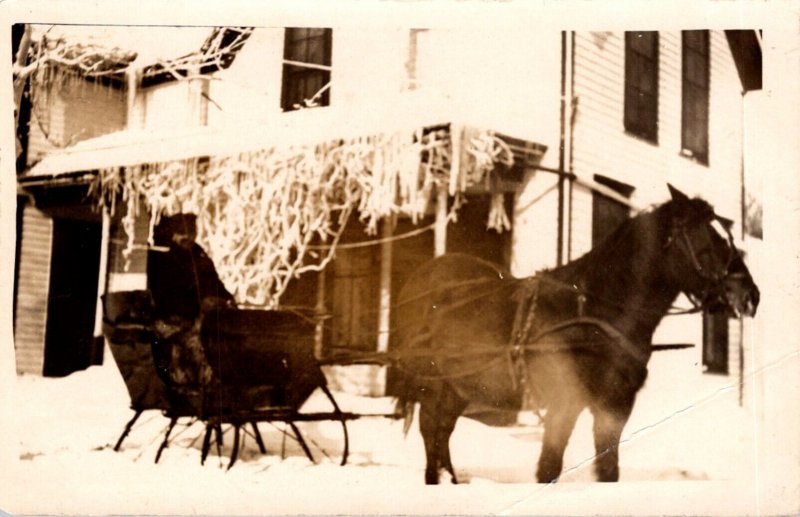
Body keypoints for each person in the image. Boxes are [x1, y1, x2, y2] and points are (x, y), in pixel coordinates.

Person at [147, 213, 235, 390]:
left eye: (192, 231)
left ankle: (218, 384)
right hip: (168, 319)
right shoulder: (162, 258)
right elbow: (162, 294)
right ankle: (189, 385)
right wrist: (197, 306)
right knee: (197, 341)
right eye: (182, 232)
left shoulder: (198, 255)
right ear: (173, 233)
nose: (188, 237)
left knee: (222, 336)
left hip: (199, 317)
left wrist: (225, 298)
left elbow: (213, 282)